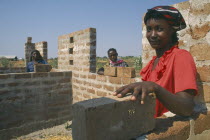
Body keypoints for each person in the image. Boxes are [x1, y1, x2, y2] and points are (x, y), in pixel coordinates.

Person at [113, 6, 198, 118]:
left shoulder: (181, 57)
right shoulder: (153, 62)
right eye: (149, 29)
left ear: (172, 30)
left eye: (159, 29)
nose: (152, 35)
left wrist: (155, 88)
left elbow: (186, 108)